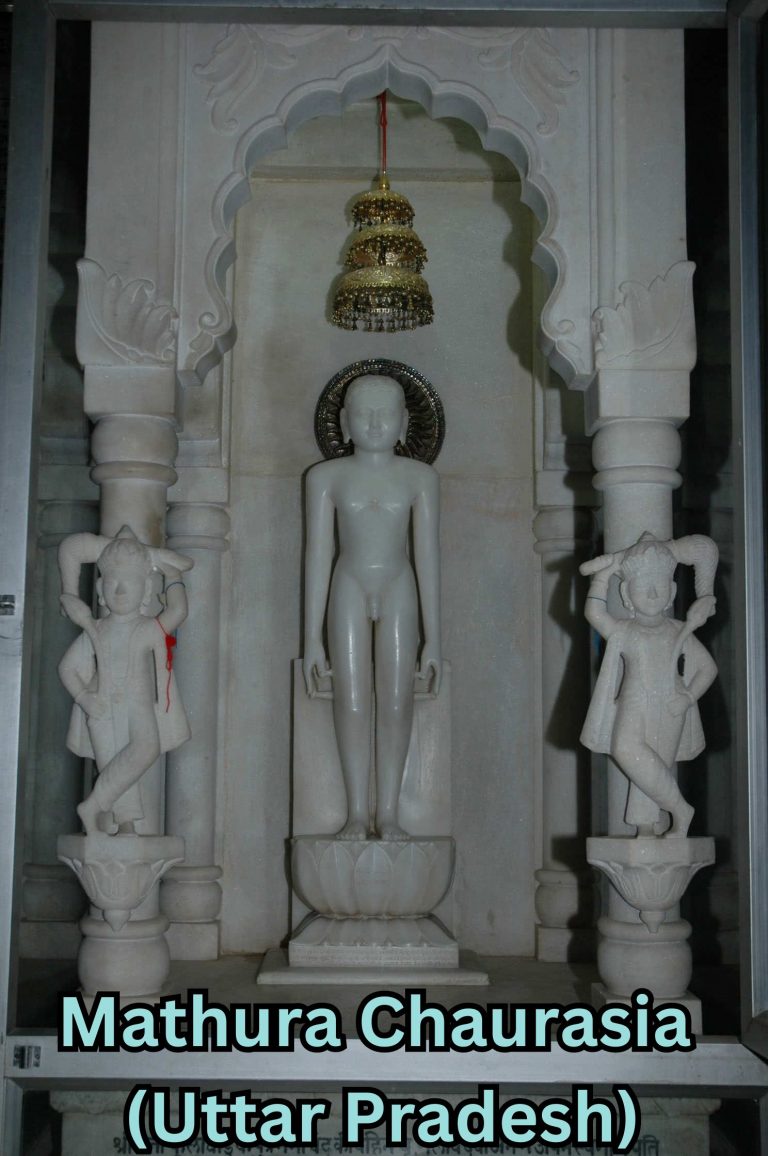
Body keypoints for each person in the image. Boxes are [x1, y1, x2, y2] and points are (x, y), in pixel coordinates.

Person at [303, 375, 442, 841]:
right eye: (364, 413)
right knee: (351, 698)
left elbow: (428, 557)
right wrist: (311, 639)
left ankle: (390, 814)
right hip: (348, 584)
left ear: (404, 422)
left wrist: (434, 640)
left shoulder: (420, 478)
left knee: (398, 700)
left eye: (386, 414)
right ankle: (357, 813)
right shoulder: (325, 478)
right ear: (345, 422)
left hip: (399, 583)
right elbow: (317, 556)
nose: (376, 423)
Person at [580, 532, 718, 837]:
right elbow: (594, 613)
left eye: (660, 586)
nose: (653, 594)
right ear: (627, 595)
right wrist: (603, 576)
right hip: (633, 701)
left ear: (672, 592)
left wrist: (688, 697)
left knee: (656, 765)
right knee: (625, 749)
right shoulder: (624, 630)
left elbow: (707, 668)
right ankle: (681, 809)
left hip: (670, 704)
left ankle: (649, 827)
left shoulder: (678, 630)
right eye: (644, 587)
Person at [58, 526, 192, 835]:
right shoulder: (96, 630)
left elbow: (178, 611)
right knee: (112, 763)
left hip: (138, 703)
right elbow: (67, 668)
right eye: (112, 582)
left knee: (146, 749)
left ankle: (92, 806)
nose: (119, 590)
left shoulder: (147, 628)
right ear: (100, 588)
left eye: (129, 582)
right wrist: (84, 698)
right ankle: (127, 826)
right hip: (102, 707)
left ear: (145, 591)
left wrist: (173, 576)